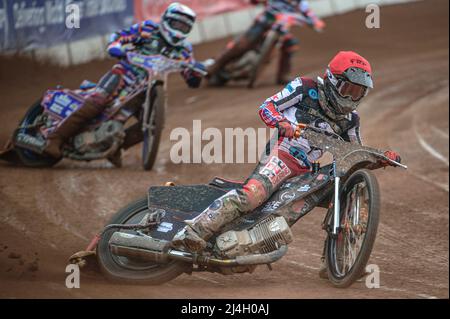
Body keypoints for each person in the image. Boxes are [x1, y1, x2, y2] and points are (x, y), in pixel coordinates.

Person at [172, 51, 402, 257]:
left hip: (306, 172)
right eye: (348, 90)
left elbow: (353, 154)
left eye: (358, 92)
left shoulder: (351, 120)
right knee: (251, 196)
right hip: (282, 155)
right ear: (333, 80)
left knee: (340, 197)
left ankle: (340, 259)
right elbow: (267, 107)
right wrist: (282, 123)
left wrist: (381, 158)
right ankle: (192, 231)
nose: (352, 97)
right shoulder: (305, 87)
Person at [43, 3, 205, 159]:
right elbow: (120, 36)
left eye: (184, 27)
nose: (179, 29)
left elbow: (190, 75)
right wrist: (116, 46)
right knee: (98, 100)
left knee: (154, 123)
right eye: (176, 24)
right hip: (124, 75)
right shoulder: (148, 29)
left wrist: (196, 73)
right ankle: (55, 138)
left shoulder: (184, 50)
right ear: (166, 20)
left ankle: (115, 148)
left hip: (148, 89)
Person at [207, 0, 326, 85]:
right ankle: (214, 66)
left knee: (290, 44)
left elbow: (311, 16)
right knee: (243, 44)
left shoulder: (301, 4)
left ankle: (283, 75)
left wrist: (316, 23)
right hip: (264, 22)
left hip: (281, 29)